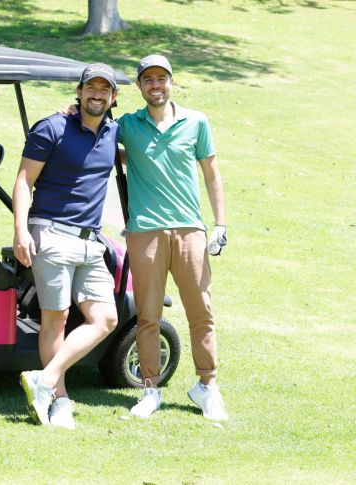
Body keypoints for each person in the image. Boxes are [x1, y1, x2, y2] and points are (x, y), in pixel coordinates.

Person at [119, 54, 229, 421]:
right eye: (148, 79)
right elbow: (95, 135)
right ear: (139, 86)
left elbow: (212, 174)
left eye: (161, 79)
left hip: (189, 229)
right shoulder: (128, 125)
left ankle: (207, 387)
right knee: (147, 315)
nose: (155, 85)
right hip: (145, 232)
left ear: (171, 82)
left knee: (201, 310)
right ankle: (150, 389)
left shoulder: (196, 122)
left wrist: (220, 225)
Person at [13, 63, 120, 429]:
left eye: (104, 90)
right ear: (78, 91)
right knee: (55, 321)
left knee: (106, 318)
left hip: (91, 242)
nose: (97, 94)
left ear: (114, 97)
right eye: (91, 87)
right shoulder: (53, 127)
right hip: (52, 235)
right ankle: (59, 400)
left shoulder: (114, 132)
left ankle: (44, 379)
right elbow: (25, 181)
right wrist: (20, 231)